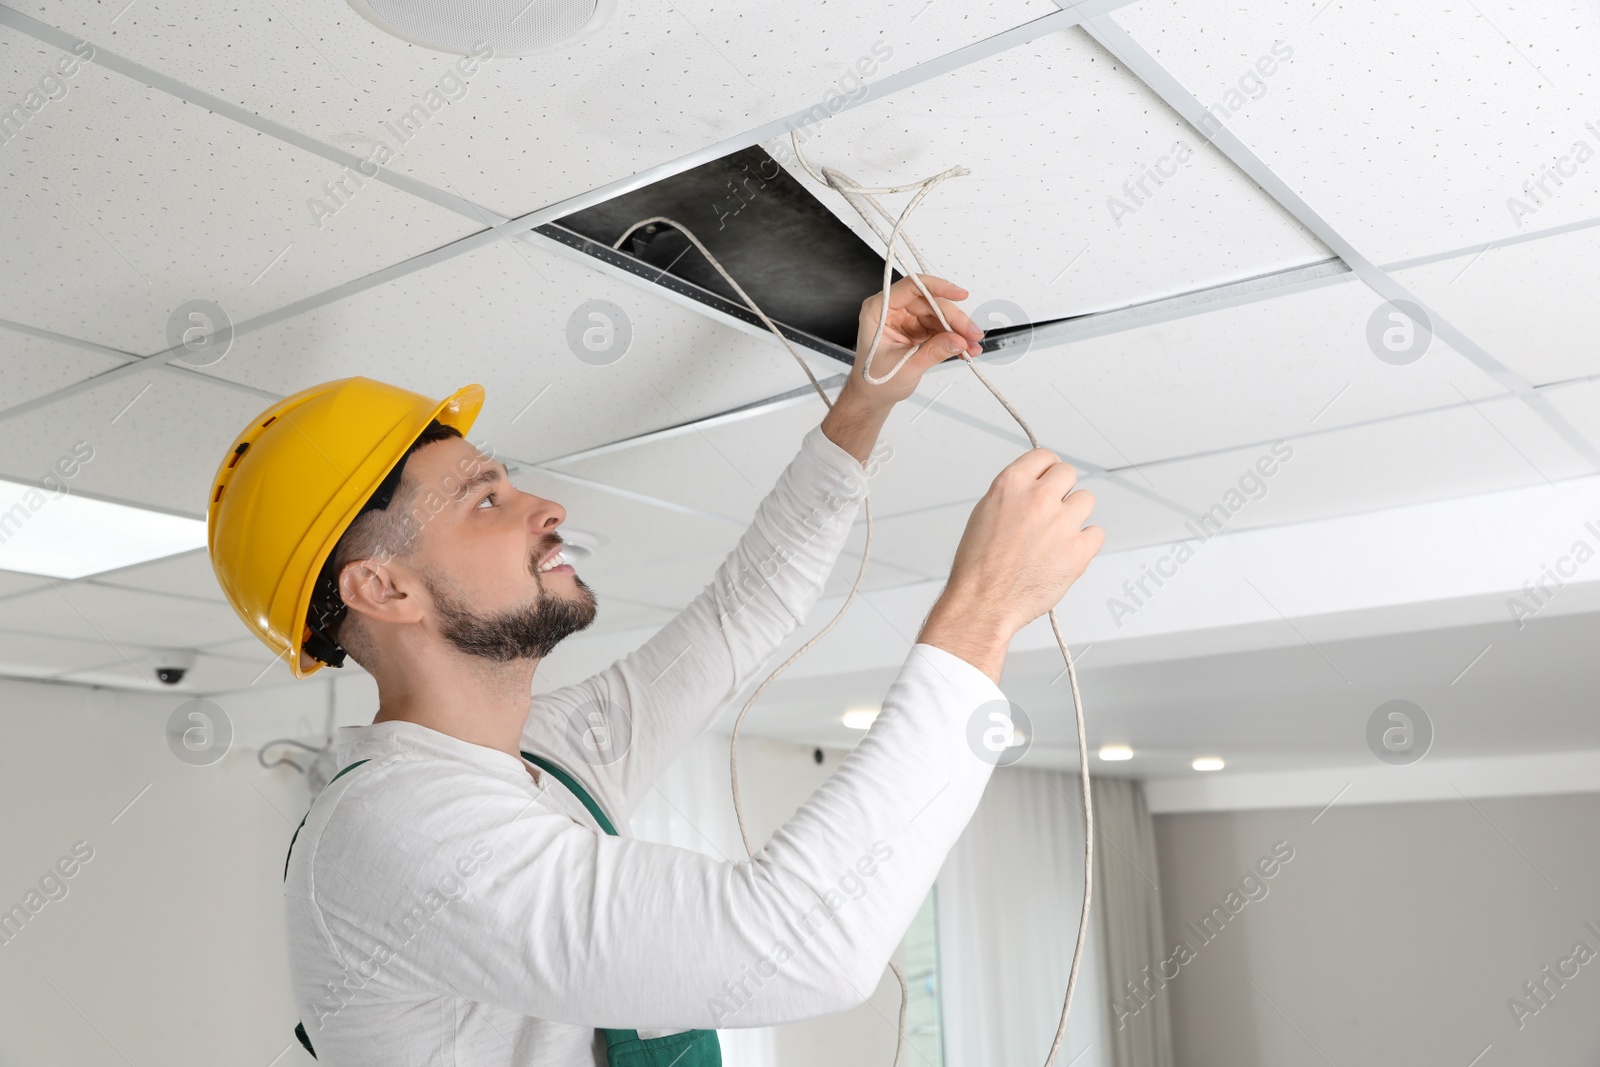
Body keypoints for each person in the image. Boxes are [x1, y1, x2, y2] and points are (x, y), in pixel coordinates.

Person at [206, 274, 1103, 1066]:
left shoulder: (546, 753)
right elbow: (801, 945)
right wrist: (983, 610)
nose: (546, 507)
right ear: (382, 588)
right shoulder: (394, 832)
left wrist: (861, 406)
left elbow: (740, 614)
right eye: (486, 497)